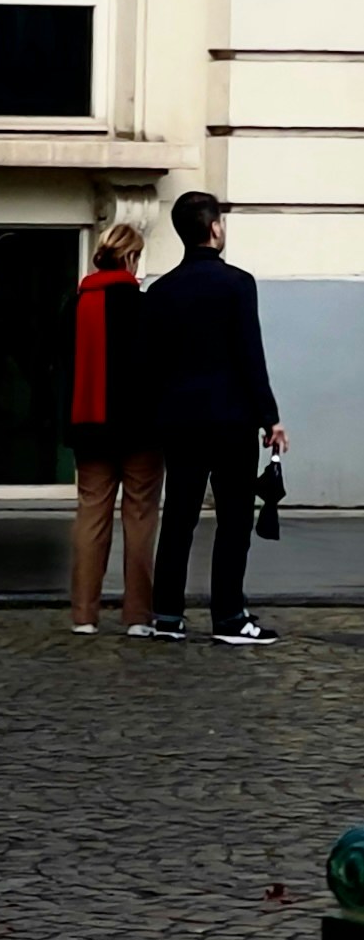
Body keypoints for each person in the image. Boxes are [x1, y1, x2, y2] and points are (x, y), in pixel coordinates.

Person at [144, 190, 287, 645]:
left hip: (180, 419)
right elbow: (250, 355)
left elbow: (154, 363)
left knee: (179, 517)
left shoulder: (161, 291)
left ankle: (167, 614)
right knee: (233, 520)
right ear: (214, 229)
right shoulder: (238, 284)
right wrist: (271, 417)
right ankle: (228, 616)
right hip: (231, 419)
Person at [66, 222, 162, 637]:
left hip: (89, 425)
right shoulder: (144, 307)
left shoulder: (75, 304)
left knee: (91, 517)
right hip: (141, 429)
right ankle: (137, 615)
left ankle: (84, 614)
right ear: (130, 258)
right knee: (140, 518)